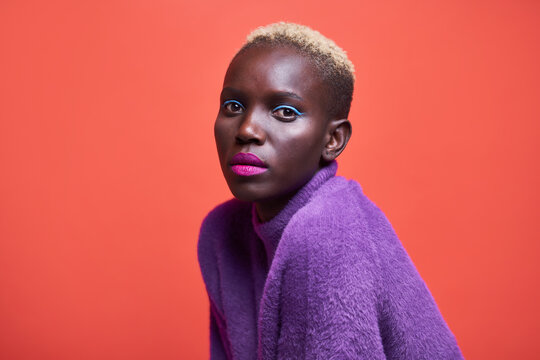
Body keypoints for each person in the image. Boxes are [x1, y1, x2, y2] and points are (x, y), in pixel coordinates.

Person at [197, 22, 463, 359]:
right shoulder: (223, 233)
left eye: (284, 112)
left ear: (332, 140)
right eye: (233, 106)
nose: (247, 129)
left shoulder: (328, 231)